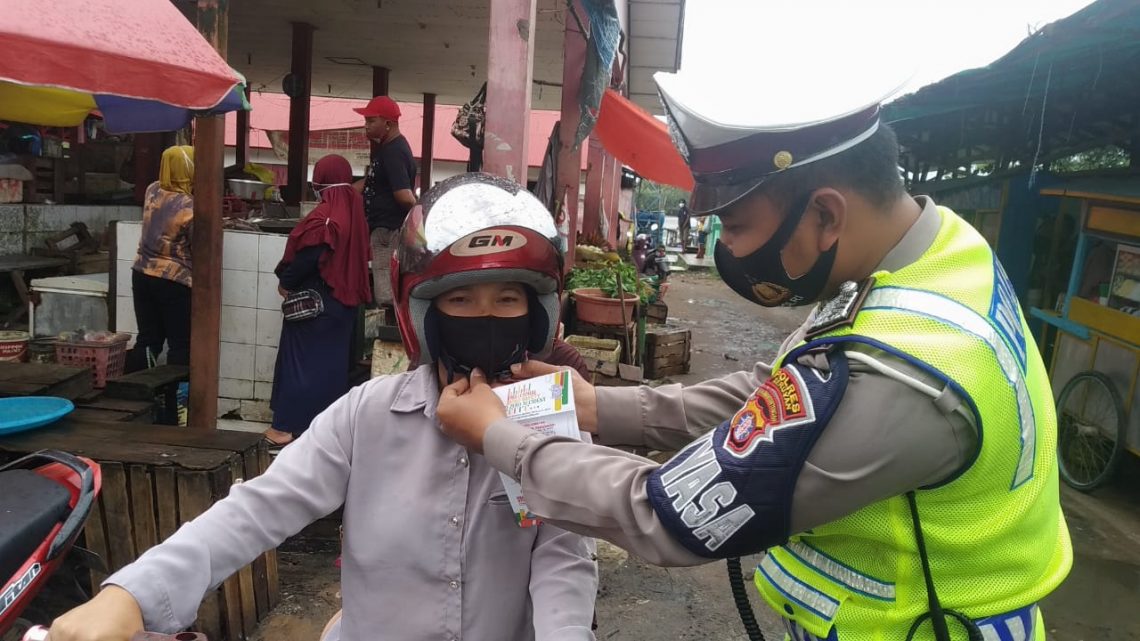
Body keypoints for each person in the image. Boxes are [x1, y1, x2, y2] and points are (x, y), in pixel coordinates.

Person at [436, 71, 1073, 641]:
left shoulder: (900, 376)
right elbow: (780, 393)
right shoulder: (936, 256)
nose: (730, 253)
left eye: (737, 229)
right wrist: (599, 405)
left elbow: (668, 515)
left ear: (826, 215)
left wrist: (502, 440)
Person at [44, 173, 598, 641]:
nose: (485, 316)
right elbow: (258, 509)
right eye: (460, 299)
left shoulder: (549, 418)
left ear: (536, 313)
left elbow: (564, 558)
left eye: (507, 299)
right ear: (423, 312)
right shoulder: (368, 414)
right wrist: (131, 595)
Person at [264, 155, 372, 448]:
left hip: (315, 306)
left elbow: (310, 256)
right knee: (330, 369)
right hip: (343, 306)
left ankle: (284, 427)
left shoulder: (327, 216)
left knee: (299, 364)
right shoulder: (354, 211)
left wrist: (286, 283)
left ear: (322, 179)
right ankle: (324, 431)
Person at [124, 145, 195, 373]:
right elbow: (198, 245)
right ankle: (177, 400)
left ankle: (138, 392)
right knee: (180, 344)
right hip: (173, 280)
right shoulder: (190, 206)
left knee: (148, 339)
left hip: (141, 273)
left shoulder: (152, 190)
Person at [353, 95, 417, 309]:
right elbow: (373, 181)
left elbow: (404, 195)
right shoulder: (388, 148)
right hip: (385, 228)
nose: (366, 126)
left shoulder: (393, 152)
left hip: (388, 231)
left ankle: (387, 333)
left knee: (386, 292)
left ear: (388, 124)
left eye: (371, 121)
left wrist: (419, 219)